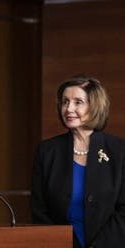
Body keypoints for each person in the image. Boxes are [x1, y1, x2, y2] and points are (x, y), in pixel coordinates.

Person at [31, 76, 125, 248]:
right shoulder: (47, 151)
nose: (68, 108)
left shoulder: (119, 150)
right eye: (65, 102)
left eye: (78, 102)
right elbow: (39, 210)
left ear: (94, 106)